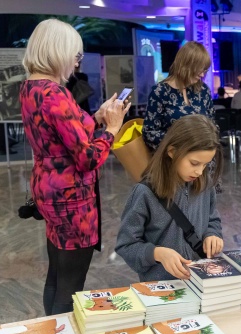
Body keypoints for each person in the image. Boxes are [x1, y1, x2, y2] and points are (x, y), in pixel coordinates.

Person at [20, 19, 130, 315]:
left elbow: (65, 134)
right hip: (71, 198)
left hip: (49, 188)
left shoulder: (32, 88)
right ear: (59, 51)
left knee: (56, 274)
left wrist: (98, 118)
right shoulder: (55, 94)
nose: (76, 62)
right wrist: (112, 130)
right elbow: (88, 158)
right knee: (71, 284)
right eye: (76, 55)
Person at [116, 115, 224, 281]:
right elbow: (126, 245)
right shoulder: (144, 193)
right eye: (194, 163)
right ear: (172, 152)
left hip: (199, 280)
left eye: (206, 164)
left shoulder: (204, 183)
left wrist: (213, 234)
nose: (199, 172)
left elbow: (212, 219)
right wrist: (157, 253)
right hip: (161, 287)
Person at [143, 41, 214, 151]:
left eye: (205, 70)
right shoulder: (160, 91)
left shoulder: (203, 90)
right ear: (185, 65)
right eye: (199, 69)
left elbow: (212, 124)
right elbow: (149, 132)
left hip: (203, 158)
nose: (202, 75)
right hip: (173, 159)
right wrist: (180, 143)